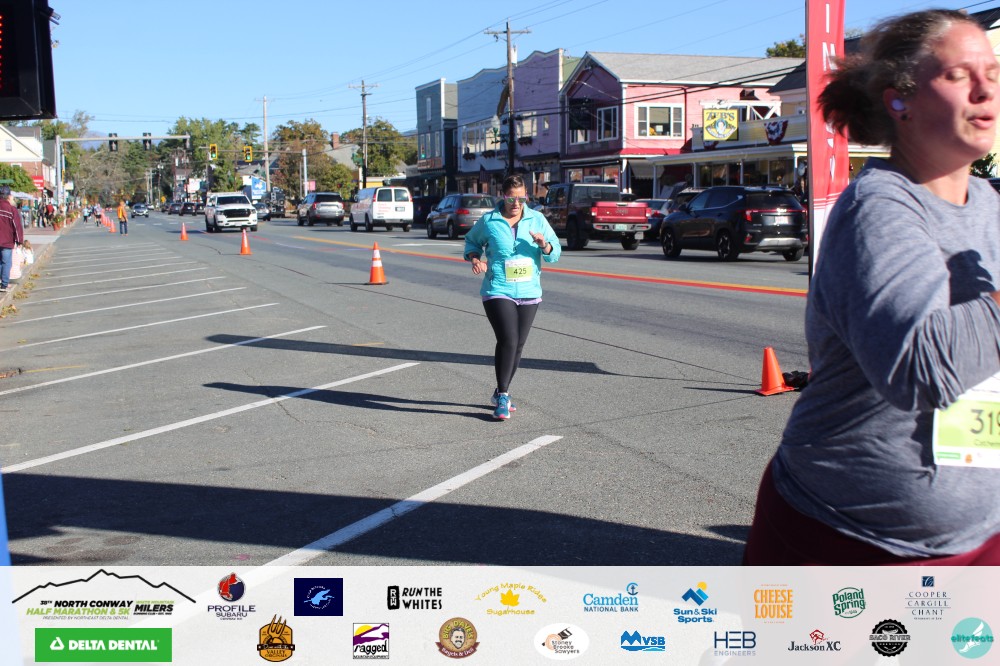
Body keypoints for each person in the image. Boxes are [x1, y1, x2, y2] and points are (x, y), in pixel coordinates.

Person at [743, 9, 1000, 565]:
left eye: (994, 73)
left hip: (980, 536)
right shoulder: (881, 209)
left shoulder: (990, 205)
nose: (985, 89)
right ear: (898, 101)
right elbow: (918, 370)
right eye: (958, 75)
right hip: (845, 539)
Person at [463, 174, 560, 420]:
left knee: (518, 345)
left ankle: (500, 391)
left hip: (529, 291)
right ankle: (504, 395)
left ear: (526, 196)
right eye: (511, 198)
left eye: (521, 198)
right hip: (498, 289)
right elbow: (472, 242)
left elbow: (555, 253)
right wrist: (475, 258)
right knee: (508, 339)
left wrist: (544, 245)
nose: (516, 203)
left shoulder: (537, 219)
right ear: (503, 196)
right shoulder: (490, 220)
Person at [0, 185, 24, 294]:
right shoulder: (11, 209)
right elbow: (17, 226)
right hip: (7, 240)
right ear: (9, 196)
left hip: (5, 240)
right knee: (6, 262)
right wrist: (19, 240)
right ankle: (4, 284)